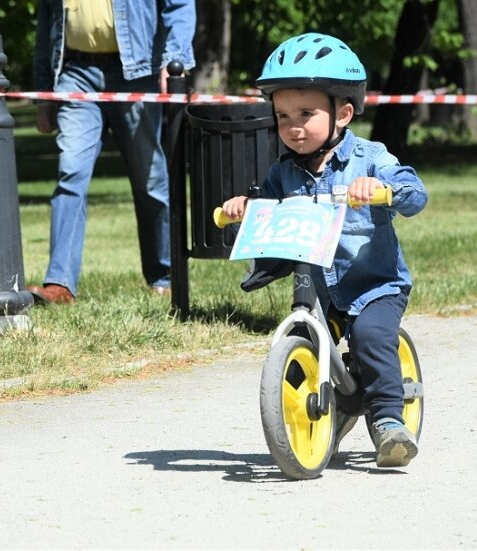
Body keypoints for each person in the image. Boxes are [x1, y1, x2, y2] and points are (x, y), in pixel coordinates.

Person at [221, 33, 428, 468]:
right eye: (282, 116)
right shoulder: (283, 171)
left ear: (344, 112)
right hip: (320, 294)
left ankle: (389, 421)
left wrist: (382, 189)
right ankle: (313, 420)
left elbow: (415, 192)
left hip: (375, 286)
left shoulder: (369, 157)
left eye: (306, 114)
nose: (293, 127)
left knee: (371, 338)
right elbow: (270, 209)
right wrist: (245, 207)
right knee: (302, 341)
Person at [27, 0, 196, 304]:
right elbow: (46, 21)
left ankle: (165, 276)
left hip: (138, 73)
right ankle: (60, 284)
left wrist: (174, 60)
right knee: (71, 173)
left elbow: (180, 5)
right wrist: (44, 92)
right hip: (74, 72)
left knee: (150, 178)